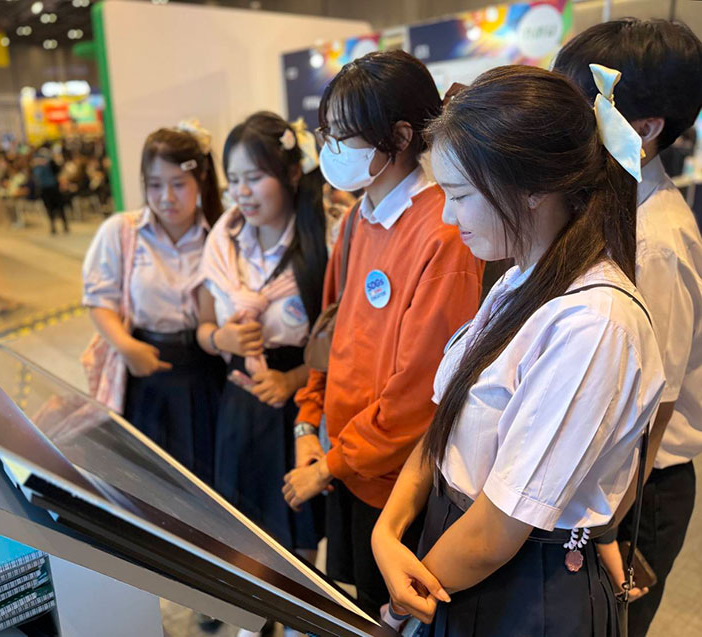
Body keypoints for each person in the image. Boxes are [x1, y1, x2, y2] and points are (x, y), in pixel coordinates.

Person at [370, 65, 666, 637]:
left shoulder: (593, 325)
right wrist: (389, 529)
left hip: (522, 588)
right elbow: (447, 426)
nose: (448, 216)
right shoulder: (519, 278)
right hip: (456, 554)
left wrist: (397, 614)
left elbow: (495, 533)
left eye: (459, 195)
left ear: (532, 188)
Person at [281, 50, 484, 617]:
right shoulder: (356, 219)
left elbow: (420, 396)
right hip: (344, 465)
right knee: (350, 605)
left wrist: (332, 462)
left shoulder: (444, 234)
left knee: (386, 616)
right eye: (326, 133)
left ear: (399, 136)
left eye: (343, 134)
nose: (330, 148)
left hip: (396, 487)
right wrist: (307, 422)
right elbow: (328, 337)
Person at [554, 19, 702, 636]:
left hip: (639, 488)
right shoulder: (611, 203)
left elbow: (654, 403)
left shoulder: (657, 240)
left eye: (580, 110)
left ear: (644, 129)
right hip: (603, 477)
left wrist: (608, 523)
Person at [195, 112, 327, 608]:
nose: (242, 193)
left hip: (302, 402)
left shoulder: (323, 244)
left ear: (292, 173)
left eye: (254, 177)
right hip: (242, 403)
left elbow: (342, 343)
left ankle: (298, 612)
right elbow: (202, 328)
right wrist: (221, 338)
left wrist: (292, 380)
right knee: (243, 515)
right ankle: (251, 608)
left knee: (299, 519)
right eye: (234, 180)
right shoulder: (223, 244)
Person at [82, 122, 225, 485]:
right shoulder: (122, 231)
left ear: (201, 178)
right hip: (142, 370)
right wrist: (126, 346)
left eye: (178, 184)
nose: (166, 198)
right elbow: (99, 299)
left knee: (206, 481)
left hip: (205, 372)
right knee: (147, 481)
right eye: (155, 185)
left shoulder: (221, 234)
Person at [32, 145, 68, 235]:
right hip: (48, 188)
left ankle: (60, 225)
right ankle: (57, 226)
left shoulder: (40, 164)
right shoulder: (43, 164)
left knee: (55, 207)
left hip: (50, 188)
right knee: (54, 207)